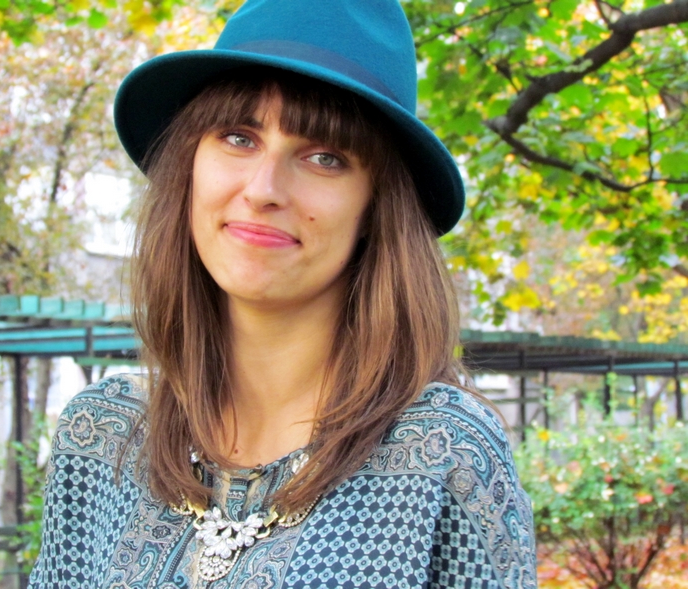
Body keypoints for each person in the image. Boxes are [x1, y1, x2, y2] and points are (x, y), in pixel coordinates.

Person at [29, 0, 537, 587]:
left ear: (376, 207)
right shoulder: (102, 434)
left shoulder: (445, 452)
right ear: (189, 166)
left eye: (325, 157)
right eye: (238, 137)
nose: (264, 189)